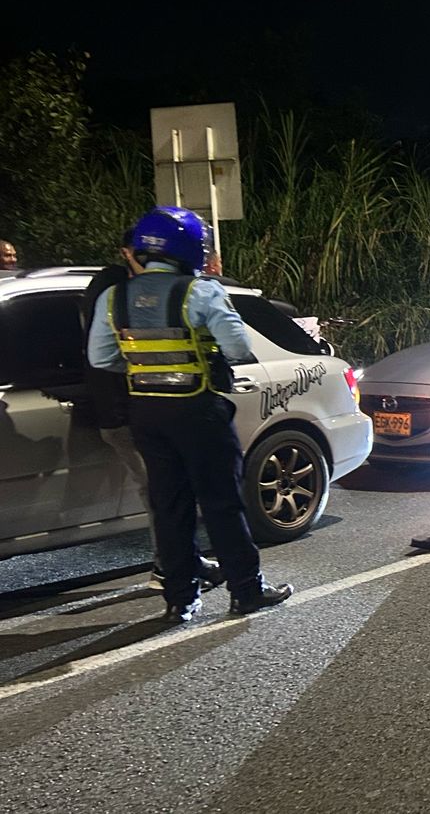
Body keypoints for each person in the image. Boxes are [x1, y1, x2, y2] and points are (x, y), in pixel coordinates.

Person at [87, 207, 292, 623]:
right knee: (222, 503)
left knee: (169, 506)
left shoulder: (115, 297)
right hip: (198, 410)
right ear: (189, 249)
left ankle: (181, 600)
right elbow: (237, 348)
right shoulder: (200, 292)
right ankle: (246, 592)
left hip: (145, 413)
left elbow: (101, 357)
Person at [80, 229, 225, 591]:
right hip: (130, 408)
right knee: (165, 496)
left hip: (141, 406)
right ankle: (169, 571)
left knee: (169, 493)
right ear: (127, 252)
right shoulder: (115, 289)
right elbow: (102, 355)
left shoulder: (136, 290)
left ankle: (184, 567)